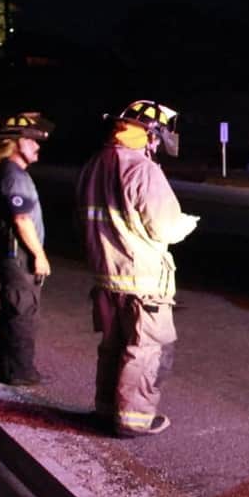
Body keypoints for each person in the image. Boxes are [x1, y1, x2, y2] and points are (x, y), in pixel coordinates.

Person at [76, 102, 198, 437]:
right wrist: (188, 223)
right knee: (147, 351)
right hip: (142, 279)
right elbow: (166, 228)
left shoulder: (94, 164)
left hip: (106, 277)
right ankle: (134, 420)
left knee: (112, 347)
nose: (158, 145)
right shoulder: (143, 169)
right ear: (150, 133)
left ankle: (105, 411)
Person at [0, 129, 51, 385]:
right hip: (20, 255)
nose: (37, 146)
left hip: (12, 253)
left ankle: (8, 367)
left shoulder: (8, 172)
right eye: (32, 140)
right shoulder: (13, 175)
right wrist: (40, 255)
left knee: (14, 309)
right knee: (22, 311)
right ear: (15, 143)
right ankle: (19, 373)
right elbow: (22, 220)